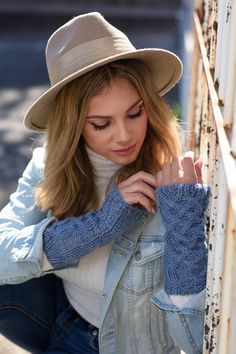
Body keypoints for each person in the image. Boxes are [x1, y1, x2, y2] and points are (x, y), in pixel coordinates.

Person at [0, 12, 210, 354]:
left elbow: (196, 340)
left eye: (135, 113)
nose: (125, 136)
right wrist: (99, 227)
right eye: (101, 124)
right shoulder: (49, 166)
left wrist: (182, 219)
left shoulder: (175, 179)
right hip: (68, 332)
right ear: (74, 126)